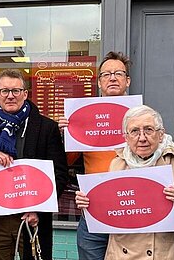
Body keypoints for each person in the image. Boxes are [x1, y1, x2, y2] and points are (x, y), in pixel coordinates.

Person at [0, 69, 68, 260]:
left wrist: (38, 208)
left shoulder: (46, 128)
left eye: (16, 91)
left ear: (25, 94)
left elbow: (60, 174)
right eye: (5, 91)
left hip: (32, 218)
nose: (10, 96)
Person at [75, 105, 174, 259]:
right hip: (122, 252)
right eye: (134, 131)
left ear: (161, 134)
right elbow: (111, 209)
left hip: (163, 252)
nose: (142, 138)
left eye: (148, 130)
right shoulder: (116, 164)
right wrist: (89, 204)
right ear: (126, 137)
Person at [58, 51, 131, 260]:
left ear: (127, 80)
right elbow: (69, 161)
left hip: (131, 204)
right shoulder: (86, 116)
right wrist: (67, 135)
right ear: (99, 82)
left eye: (118, 73)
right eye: (106, 74)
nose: (112, 78)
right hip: (94, 206)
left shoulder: (142, 115)